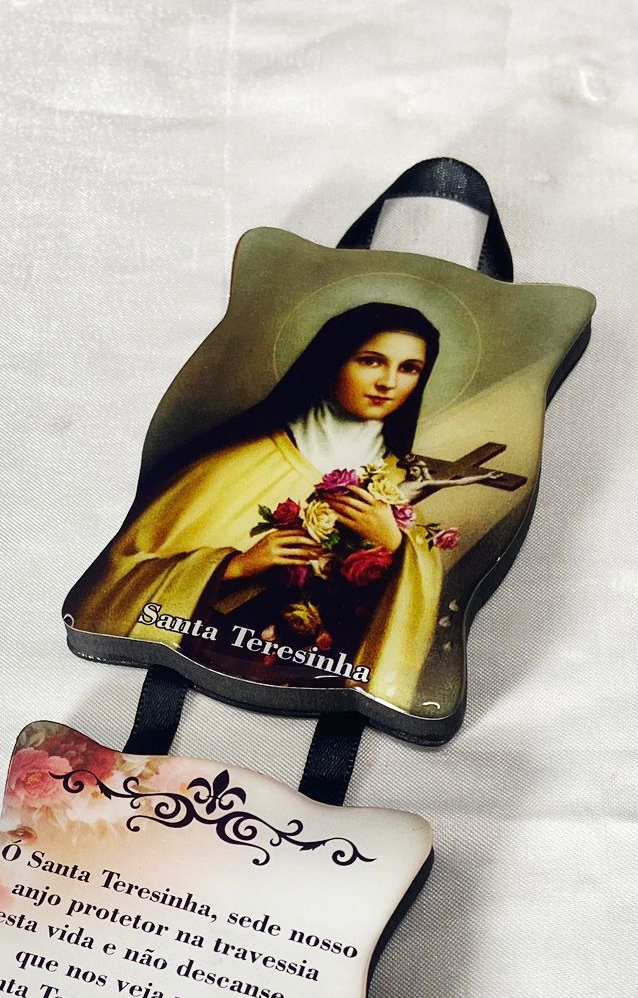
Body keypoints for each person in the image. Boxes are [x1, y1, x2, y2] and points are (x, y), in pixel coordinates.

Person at [65, 303, 446, 709]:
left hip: (319, 695)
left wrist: (395, 545)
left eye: (409, 369)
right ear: (334, 360)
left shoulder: (398, 489)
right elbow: (113, 584)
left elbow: (405, 632)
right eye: (370, 361)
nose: (389, 382)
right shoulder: (232, 466)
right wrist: (235, 567)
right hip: (188, 677)